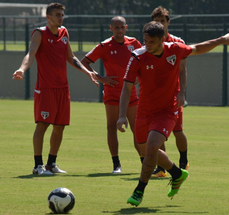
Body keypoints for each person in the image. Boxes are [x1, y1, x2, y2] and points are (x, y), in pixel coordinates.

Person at [117, 21, 229, 206]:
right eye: (145, 40)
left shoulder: (175, 49)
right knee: (146, 151)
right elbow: (127, 88)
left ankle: (139, 191)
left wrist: (221, 40)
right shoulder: (137, 57)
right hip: (144, 113)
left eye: (152, 41)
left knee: (153, 146)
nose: (147, 45)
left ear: (162, 40)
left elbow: (197, 48)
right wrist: (122, 115)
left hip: (168, 111)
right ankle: (177, 173)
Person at [12, 3, 98, 175]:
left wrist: (87, 72)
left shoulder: (64, 32)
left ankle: (51, 163)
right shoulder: (39, 33)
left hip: (62, 88)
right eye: (57, 15)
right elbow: (31, 53)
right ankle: (38, 166)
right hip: (45, 89)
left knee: (59, 126)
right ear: (48, 17)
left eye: (62, 15)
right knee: (42, 125)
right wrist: (22, 69)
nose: (60, 18)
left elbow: (70, 57)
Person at [81, 16, 145, 174]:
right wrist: (102, 78)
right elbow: (84, 62)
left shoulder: (134, 43)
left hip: (131, 93)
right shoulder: (104, 46)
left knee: (137, 128)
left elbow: (146, 58)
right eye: (116, 27)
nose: (119, 30)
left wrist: (140, 76)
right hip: (112, 93)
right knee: (111, 127)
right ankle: (116, 164)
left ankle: (144, 161)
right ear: (111, 28)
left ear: (126, 27)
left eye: (122, 27)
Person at [150, 6, 189, 178]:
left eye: (162, 21)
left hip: (173, 96)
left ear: (168, 23)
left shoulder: (178, 42)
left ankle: (183, 161)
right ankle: (161, 168)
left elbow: (182, 70)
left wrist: (181, 92)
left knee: (178, 131)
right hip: (154, 96)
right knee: (156, 133)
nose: (159, 24)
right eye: (156, 21)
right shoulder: (149, 41)